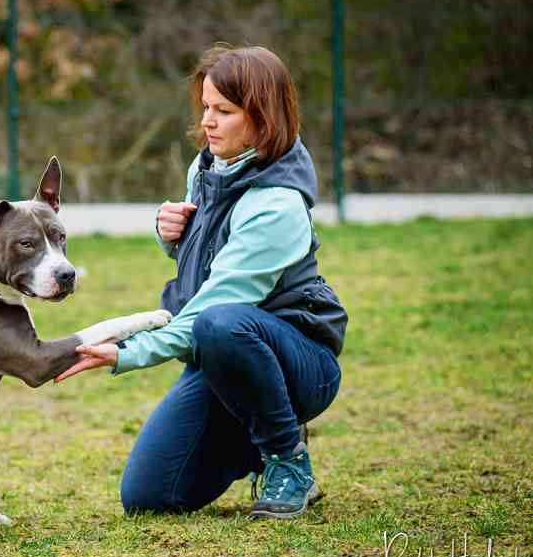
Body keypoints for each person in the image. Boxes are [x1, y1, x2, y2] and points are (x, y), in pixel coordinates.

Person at [55, 44, 348, 519]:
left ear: (264, 117)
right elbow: (205, 258)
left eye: (224, 111)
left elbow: (220, 300)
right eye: (206, 107)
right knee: (149, 498)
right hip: (222, 359)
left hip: (298, 365)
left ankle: (287, 457)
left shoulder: (278, 205)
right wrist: (169, 232)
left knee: (220, 323)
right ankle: (258, 436)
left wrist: (129, 351)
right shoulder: (207, 168)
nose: (208, 121)